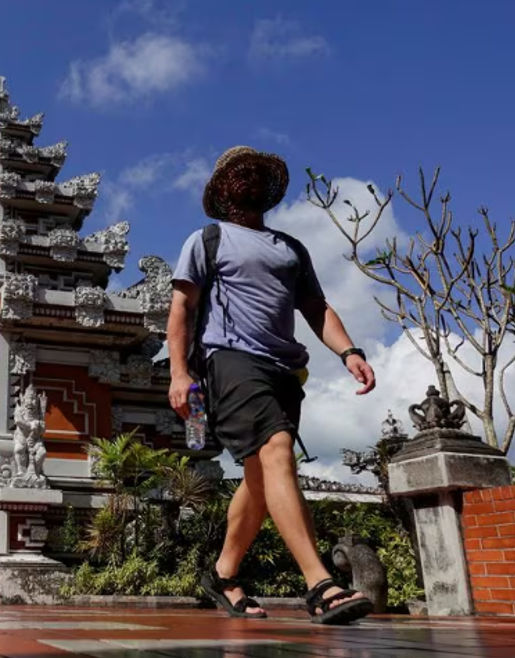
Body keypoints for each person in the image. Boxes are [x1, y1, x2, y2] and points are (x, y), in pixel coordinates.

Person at [167, 146, 377, 625]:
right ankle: (320, 584)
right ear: (222, 190)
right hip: (230, 361)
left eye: (257, 174)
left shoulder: (290, 249)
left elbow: (317, 309)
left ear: (268, 190)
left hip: (285, 369)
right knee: (278, 449)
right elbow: (181, 308)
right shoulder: (208, 240)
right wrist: (180, 373)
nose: (248, 179)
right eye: (238, 174)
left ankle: (223, 573)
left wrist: (350, 352)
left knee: (261, 477)